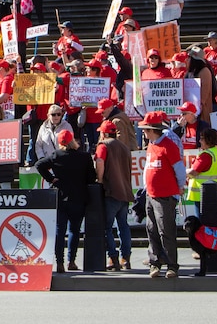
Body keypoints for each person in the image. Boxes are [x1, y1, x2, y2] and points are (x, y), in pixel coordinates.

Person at [35, 129, 95, 273]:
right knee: (74, 230)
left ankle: (59, 262)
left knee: (59, 231)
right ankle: (71, 261)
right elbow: (91, 178)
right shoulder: (84, 157)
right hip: (79, 197)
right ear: (73, 140)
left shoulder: (56, 155)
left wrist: (51, 179)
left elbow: (39, 165)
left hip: (61, 196)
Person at [139, 111, 185, 278]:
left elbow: (179, 169)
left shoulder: (168, 146)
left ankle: (172, 265)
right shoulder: (152, 145)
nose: (143, 133)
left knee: (166, 230)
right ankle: (155, 263)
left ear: (152, 130)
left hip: (165, 195)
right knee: (151, 229)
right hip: (151, 195)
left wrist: (179, 188)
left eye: (145, 130)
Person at [94, 120, 134, 271]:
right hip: (125, 191)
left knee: (107, 227)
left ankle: (113, 258)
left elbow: (100, 162)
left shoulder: (103, 146)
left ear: (103, 133)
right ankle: (126, 258)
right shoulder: (124, 147)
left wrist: (99, 179)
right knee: (123, 226)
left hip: (111, 191)